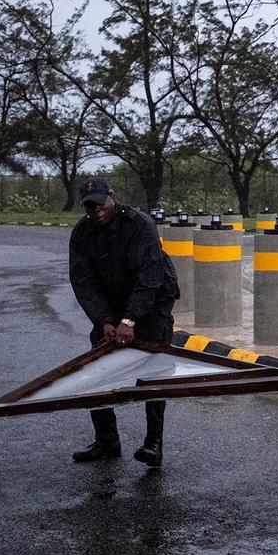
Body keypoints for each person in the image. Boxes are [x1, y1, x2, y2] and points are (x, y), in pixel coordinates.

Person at [68, 177, 179, 468]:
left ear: (112, 198)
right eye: (90, 206)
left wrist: (129, 320)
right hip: (111, 305)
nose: (97, 211)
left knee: (154, 374)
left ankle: (153, 444)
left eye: (101, 203)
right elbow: (84, 282)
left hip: (153, 303)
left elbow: (150, 276)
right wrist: (104, 320)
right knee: (97, 371)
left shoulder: (140, 225)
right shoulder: (82, 233)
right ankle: (107, 441)